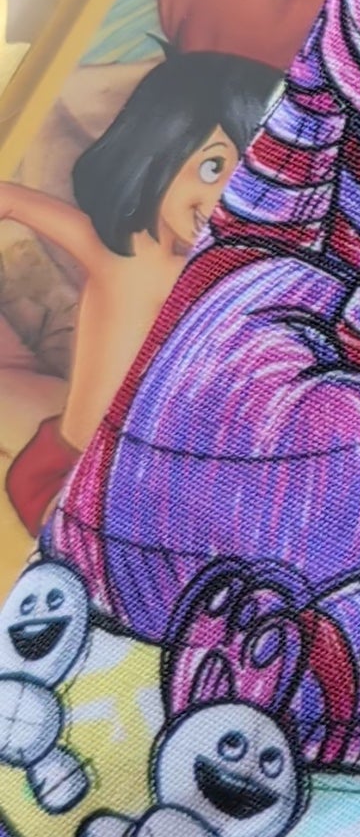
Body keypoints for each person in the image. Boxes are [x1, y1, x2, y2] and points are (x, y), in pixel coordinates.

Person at [0, 50, 278, 536]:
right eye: (213, 168)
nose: (222, 201)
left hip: (133, 478)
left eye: (250, 182)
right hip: (68, 474)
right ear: (162, 143)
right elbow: (12, 202)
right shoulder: (120, 253)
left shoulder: (223, 285)